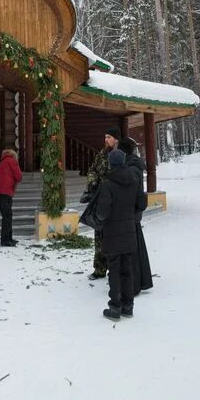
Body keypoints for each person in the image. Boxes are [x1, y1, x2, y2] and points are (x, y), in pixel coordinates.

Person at [95, 149, 139, 320]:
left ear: (111, 163)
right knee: (127, 268)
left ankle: (115, 307)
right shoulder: (134, 180)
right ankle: (128, 306)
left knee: (114, 269)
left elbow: (102, 212)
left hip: (112, 233)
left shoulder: (107, 184)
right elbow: (141, 204)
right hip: (129, 231)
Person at [81, 128, 120, 280]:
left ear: (116, 139)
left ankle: (115, 269)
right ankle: (99, 269)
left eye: (108, 137)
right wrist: (93, 182)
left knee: (114, 237)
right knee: (99, 235)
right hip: (99, 201)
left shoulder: (121, 155)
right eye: (105, 137)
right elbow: (92, 170)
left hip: (115, 203)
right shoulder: (102, 154)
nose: (106, 140)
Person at [118, 137, 153, 294]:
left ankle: (134, 284)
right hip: (134, 214)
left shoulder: (130, 169)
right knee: (137, 249)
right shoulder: (134, 166)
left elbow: (133, 193)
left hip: (129, 214)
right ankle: (141, 280)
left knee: (132, 252)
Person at [0, 148, 22, 247]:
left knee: (7, 216)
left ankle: (8, 238)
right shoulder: (12, 162)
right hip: (7, 192)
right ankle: (5, 240)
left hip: (1, 193)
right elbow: (19, 176)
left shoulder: (1, 164)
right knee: (8, 216)